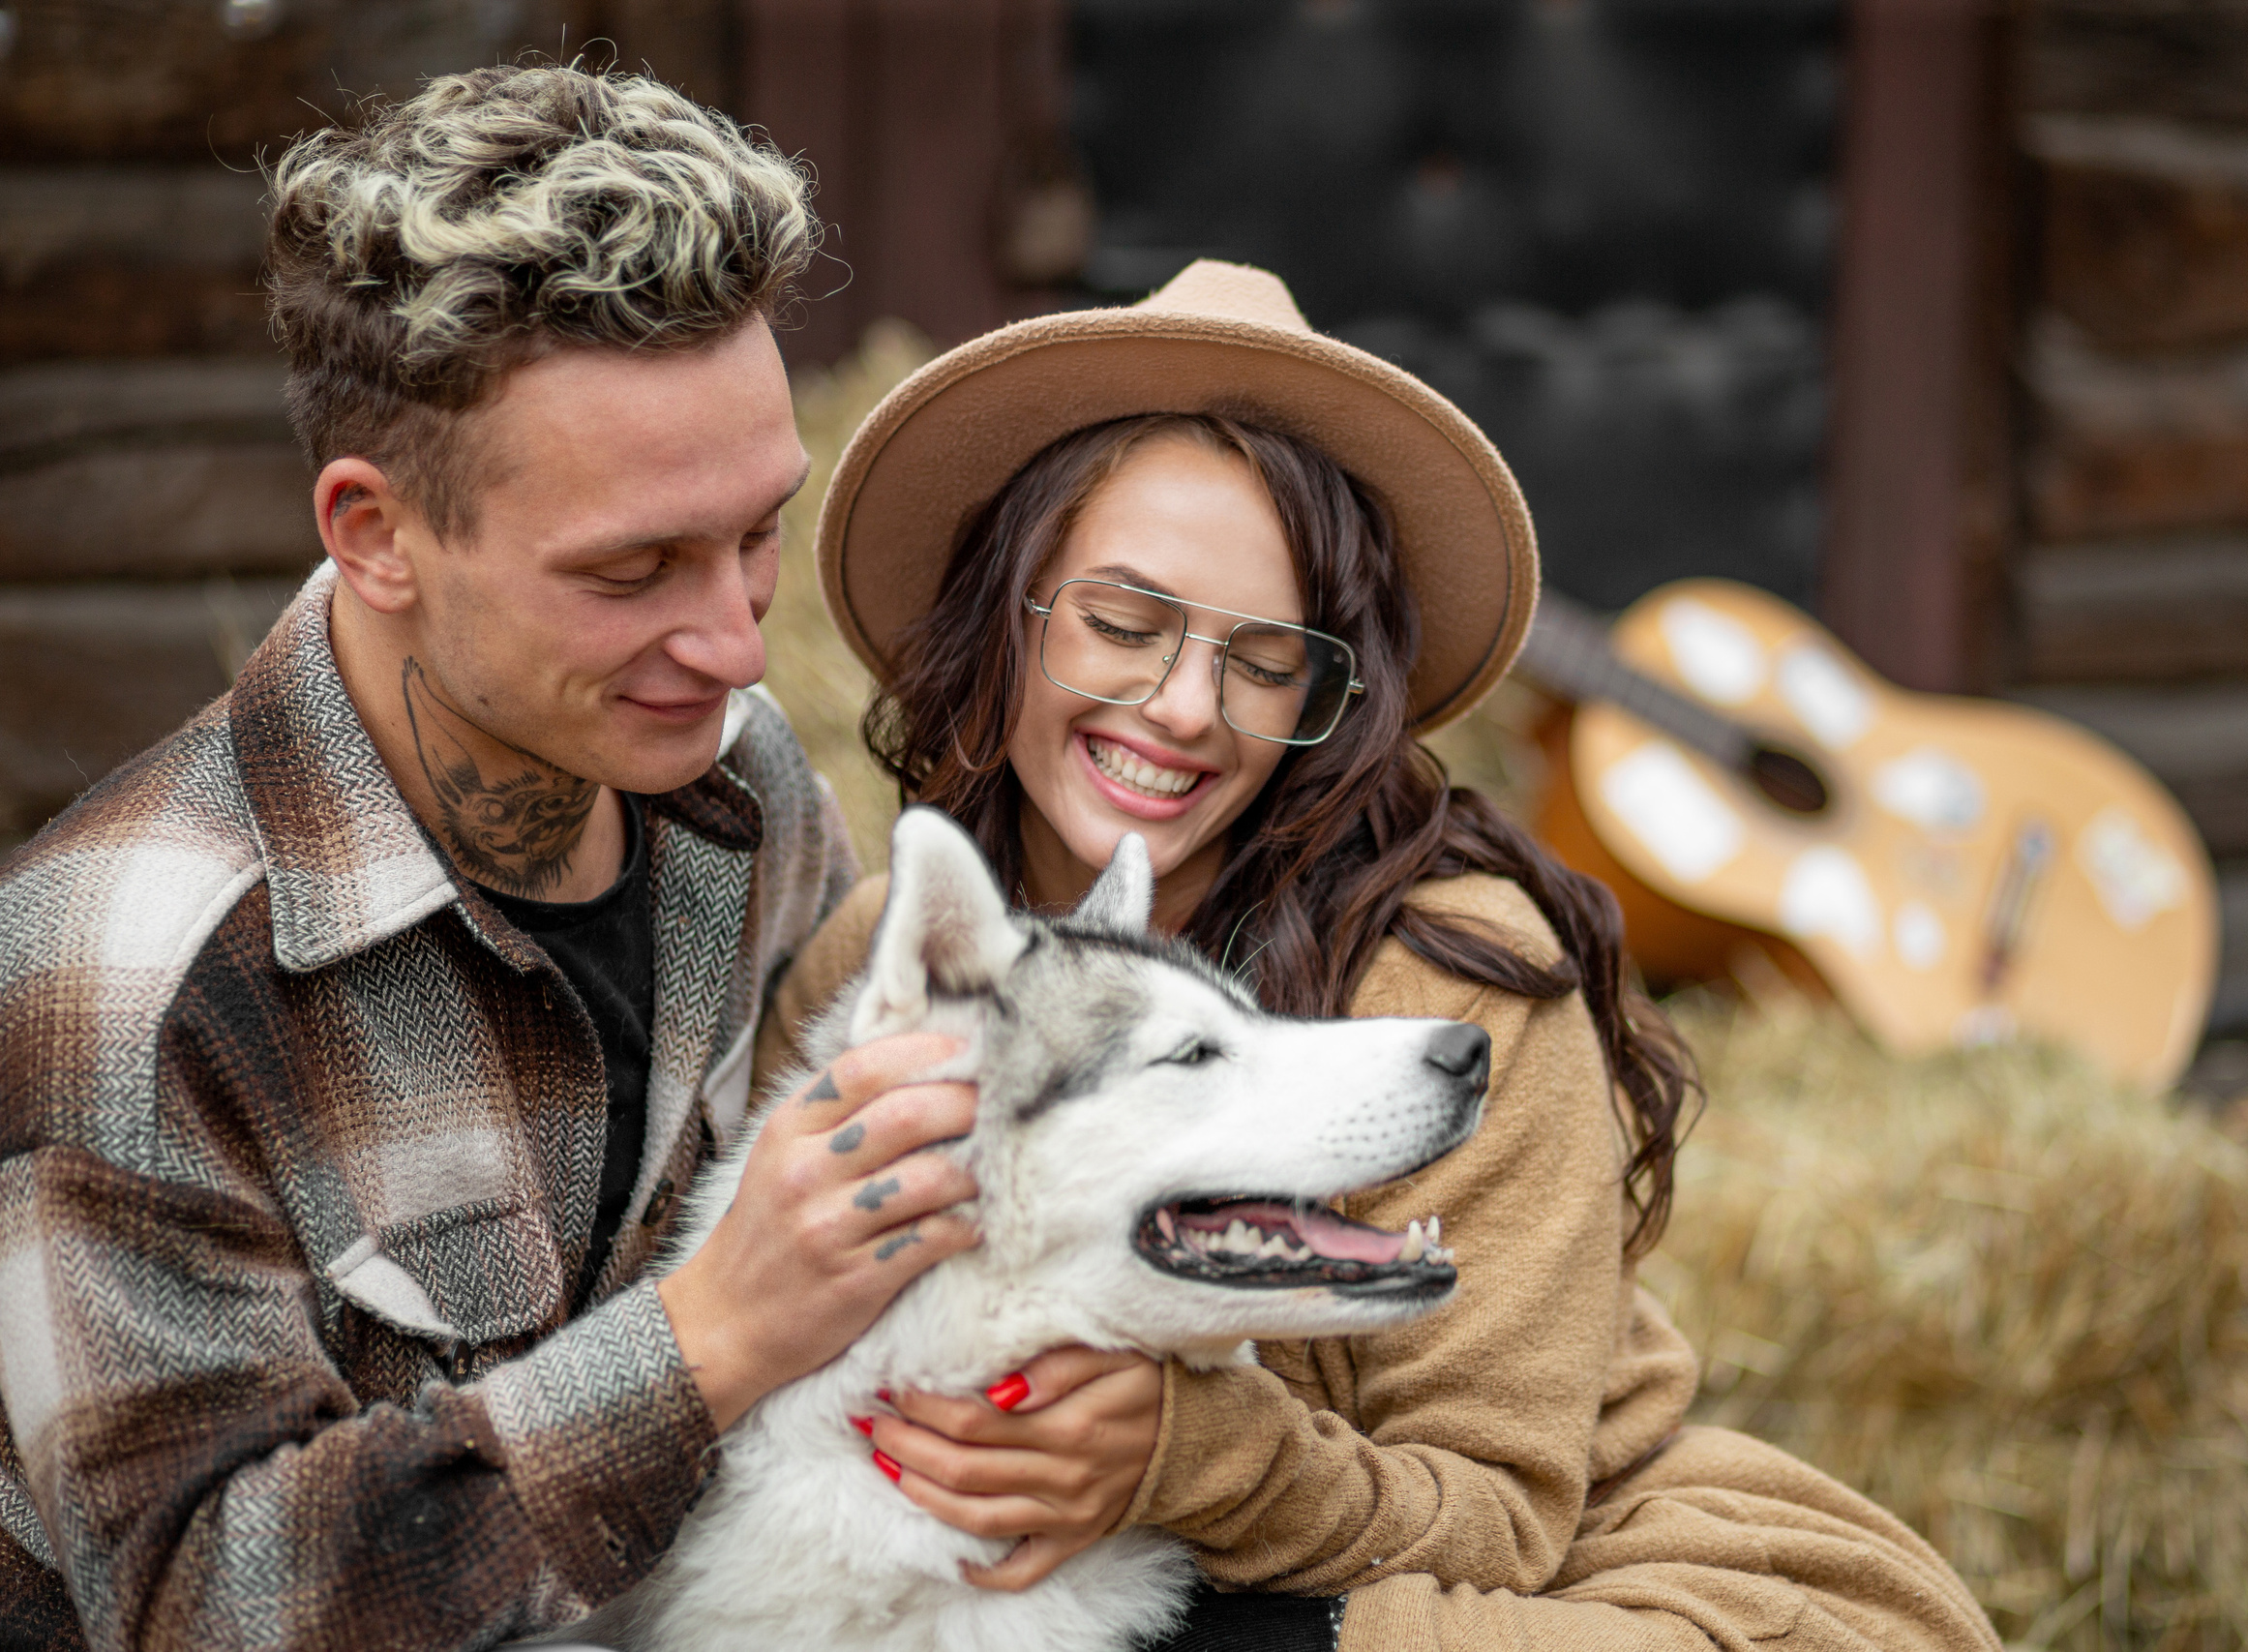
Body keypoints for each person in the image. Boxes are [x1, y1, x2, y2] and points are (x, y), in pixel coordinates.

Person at [753, 260, 2006, 1652]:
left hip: (1504, 1579)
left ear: (1328, 697)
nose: (1182, 710)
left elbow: (1506, 1514)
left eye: (1265, 660)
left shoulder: (1451, 973)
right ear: (1009, 610)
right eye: (1122, 624)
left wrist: (1189, 1454)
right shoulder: (881, 968)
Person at [0, 65, 1080, 1651]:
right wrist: (708, 1338)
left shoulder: (747, 793)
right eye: (633, 569)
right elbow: (203, 1611)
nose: (735, 643)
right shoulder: (118, 976)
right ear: (374, 535)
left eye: (757, 529)